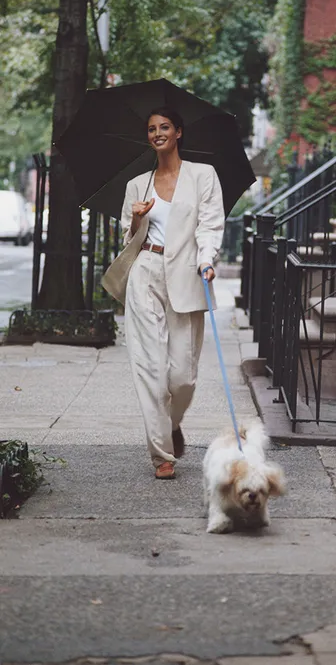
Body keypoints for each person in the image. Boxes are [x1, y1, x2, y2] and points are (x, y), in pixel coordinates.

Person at [102, 107, 224, 479]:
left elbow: (210, 224)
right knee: (151, 369)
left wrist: (206, 259)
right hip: (146, 273)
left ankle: (171, 424)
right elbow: (127, 238)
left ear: (178, 132)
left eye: (165, 127)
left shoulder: (203, 175)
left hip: (188, 274)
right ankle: (161, 455)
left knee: (182, 377)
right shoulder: (136, 185)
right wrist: (137, 218)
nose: (158, 133)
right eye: (152, 129)